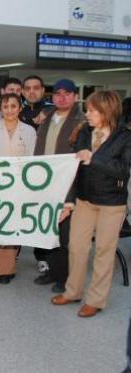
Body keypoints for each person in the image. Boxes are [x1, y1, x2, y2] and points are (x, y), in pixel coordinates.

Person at [52, 90, 131, 317]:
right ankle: (72, 291)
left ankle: (95, 300)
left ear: (107, 111)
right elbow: (75, 171)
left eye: (93, 110)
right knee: (76, 247)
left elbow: (124, 170)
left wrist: (93, 158)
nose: (88, 114)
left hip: (111, 203)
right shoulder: (84, 132)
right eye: (87, 109)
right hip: (84, 200)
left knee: (104, 252)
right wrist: (69, 202)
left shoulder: (124, 137)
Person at [32, 79, 84, 291]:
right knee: (48, 230)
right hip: (46, 182)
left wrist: (72, 194)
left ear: (75, 96)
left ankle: (64, 278)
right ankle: (52, 271)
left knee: (65, 234)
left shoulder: (81, 121)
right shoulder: (47, 117)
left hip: (68, 184)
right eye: (57, 94)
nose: (61, 97)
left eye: (67, 93)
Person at [0, 93, 36, 284]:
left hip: (20, 186)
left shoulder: (29, 131)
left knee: (13, 227)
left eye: (13, 106)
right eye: (5, 107)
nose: (9, 110)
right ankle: (0, 266)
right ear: (0, 109)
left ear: (20, 109)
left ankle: (8, 267)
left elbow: (32, 159)